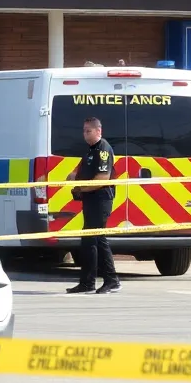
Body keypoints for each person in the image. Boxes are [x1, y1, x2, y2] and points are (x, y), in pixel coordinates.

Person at [67, 116, 121, 295]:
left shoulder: (103, 149)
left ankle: (111, 280)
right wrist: (74, 179)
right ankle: (87, 282)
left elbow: (102, 179)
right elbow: (74, 173)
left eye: (88, 131)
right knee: (88, 240)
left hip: (101, 199)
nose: (85, 134)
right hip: (90, 199)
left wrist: (80, 187)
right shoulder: (89, 151)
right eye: (84, 130)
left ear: (98, 131)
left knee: (98, 238)